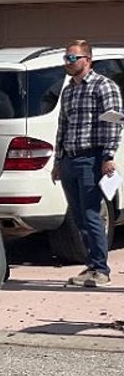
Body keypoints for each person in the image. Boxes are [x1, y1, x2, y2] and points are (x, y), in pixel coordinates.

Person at [51, 39, 123, 287]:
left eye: (72, 58)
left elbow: (113, 123)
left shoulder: (104, 86)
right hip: (70, 159)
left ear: (87, 60)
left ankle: (101, 269)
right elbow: (63, 125)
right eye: (66, 58)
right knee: (79, 216)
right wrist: (58, 161)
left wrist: (107, 156)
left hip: (92, 158)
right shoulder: (69, 90)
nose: (68, 63)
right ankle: (91, 265)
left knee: (92, 214)